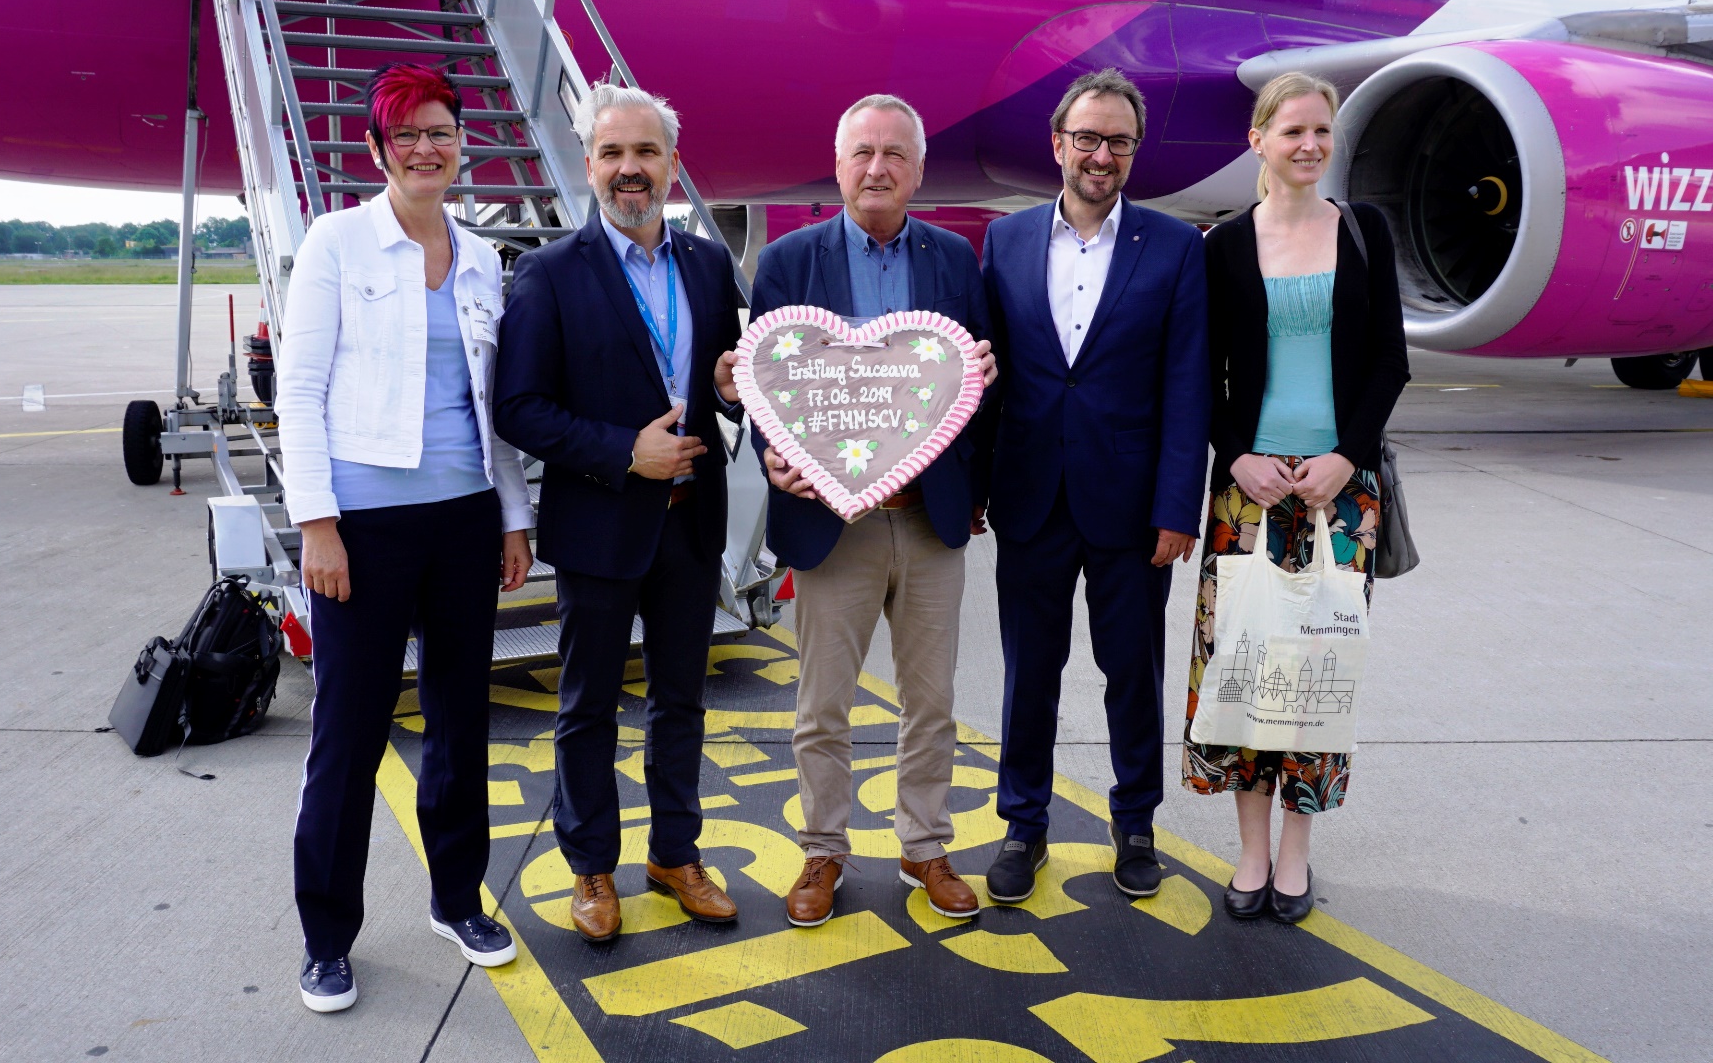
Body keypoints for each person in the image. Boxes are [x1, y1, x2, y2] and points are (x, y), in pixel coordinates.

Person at [281, 63, 536, 1013]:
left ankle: (456, 899)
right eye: (407, 135)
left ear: (460, 140)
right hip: (365, 525)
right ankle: (326, 936)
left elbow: (490, 409)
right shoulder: (338, 241)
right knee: (348, 732)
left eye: (441, 130)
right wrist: (318, 524)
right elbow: (297, 392)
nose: (427, 148)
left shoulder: (478, 256)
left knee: (461, 720)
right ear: (378, 150)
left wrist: (511, 516)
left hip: (464, 516)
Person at [494, 82, 746, 944]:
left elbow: (723, 382)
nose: (629, 169)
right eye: (612, 154)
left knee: (681, 701)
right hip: (601, 522)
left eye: (646, 153)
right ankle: (591, 867)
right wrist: (618, 450)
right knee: (588, 709)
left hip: (689, 522)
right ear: (590, 165)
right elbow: (518, 406)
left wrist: (727, 392)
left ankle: (675, 855)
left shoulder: (708, 265)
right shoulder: (549, 272)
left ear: (672, 166)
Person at [748, 94, 998, 927]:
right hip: (832, 523)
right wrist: (774, 461)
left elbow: (981, 392)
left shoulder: (956, 262)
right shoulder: (787, 262)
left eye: (894, 154)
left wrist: (978, 481)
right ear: (838, 162)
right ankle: (823, 850)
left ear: (918, 170)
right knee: (823, 704)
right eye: (862, 153)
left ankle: (924, 845)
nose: (877, 169)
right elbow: (764, 388)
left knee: (931, 700)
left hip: (928, 518)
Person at [979, 68, 1210, 905]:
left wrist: (1176, 506)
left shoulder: (1175, 246)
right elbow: (986, 379)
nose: (1100, 154)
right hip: (1030, 497)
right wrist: (975, 486)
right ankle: (1023, 824)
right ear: (1058, 145)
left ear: (1133, 151)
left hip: (1131, 508)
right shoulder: (1003, 243)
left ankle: (1135, 824)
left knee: (1130, 675)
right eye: (1087, 138)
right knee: (1027, 674)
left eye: (1117, 141)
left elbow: (1188, 387)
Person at [1187, 71, 1408, 924]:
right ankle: (1247, 852)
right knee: (1243, 672)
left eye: (1321, 131)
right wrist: (1233, 452)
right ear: (1258, 140)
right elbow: (1200, 375)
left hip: (1338, 494)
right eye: (1292, 132)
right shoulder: (1222, 246)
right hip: (1247, 492)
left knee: (1316, 672)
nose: (1309, 145)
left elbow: (1388, 360)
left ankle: (1293, 855)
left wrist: (1345, 457)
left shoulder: (1362, 232)